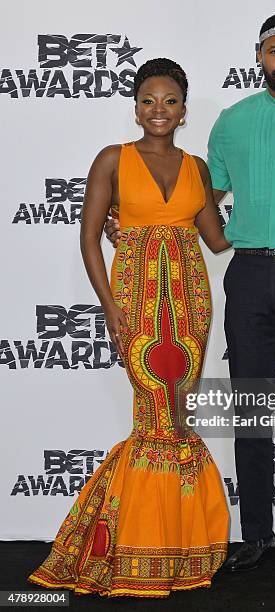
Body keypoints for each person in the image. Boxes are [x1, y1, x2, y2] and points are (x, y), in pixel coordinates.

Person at [105, 12, 275, 582]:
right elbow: (199, 201)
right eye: (274, 51)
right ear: (260, 57)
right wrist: (127, 221)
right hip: (248, 277)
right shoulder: (231, 123)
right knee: (250, 411)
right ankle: (256, 536)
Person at [28, 58, 230, 599]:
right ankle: (138, 544)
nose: (158, 110)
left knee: (178, 412)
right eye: (148, 100)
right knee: (154, 413)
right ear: (135, 107)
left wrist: (274, 202)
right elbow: (90, 238)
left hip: (189, 301)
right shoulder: (112, 160)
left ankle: (179, 546)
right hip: (136, 300)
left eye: (169, 101)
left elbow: (216, 239)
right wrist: (110, 307)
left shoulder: (197, 168)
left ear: (184, 110)